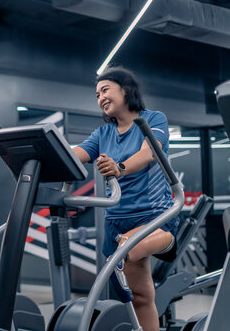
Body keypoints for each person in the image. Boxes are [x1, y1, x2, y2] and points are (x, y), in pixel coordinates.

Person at [73, 66, 179, 331]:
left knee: (126, 249)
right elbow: (78, 153)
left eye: (105, 89)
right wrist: (46, 151)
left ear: (126, 89)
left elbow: (149, 153)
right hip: (117, 221)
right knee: (139, 298)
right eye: (97, 94)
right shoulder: (103, 134)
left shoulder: (154, 119)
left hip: (155, 217)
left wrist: (119, 168)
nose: (100, 98)